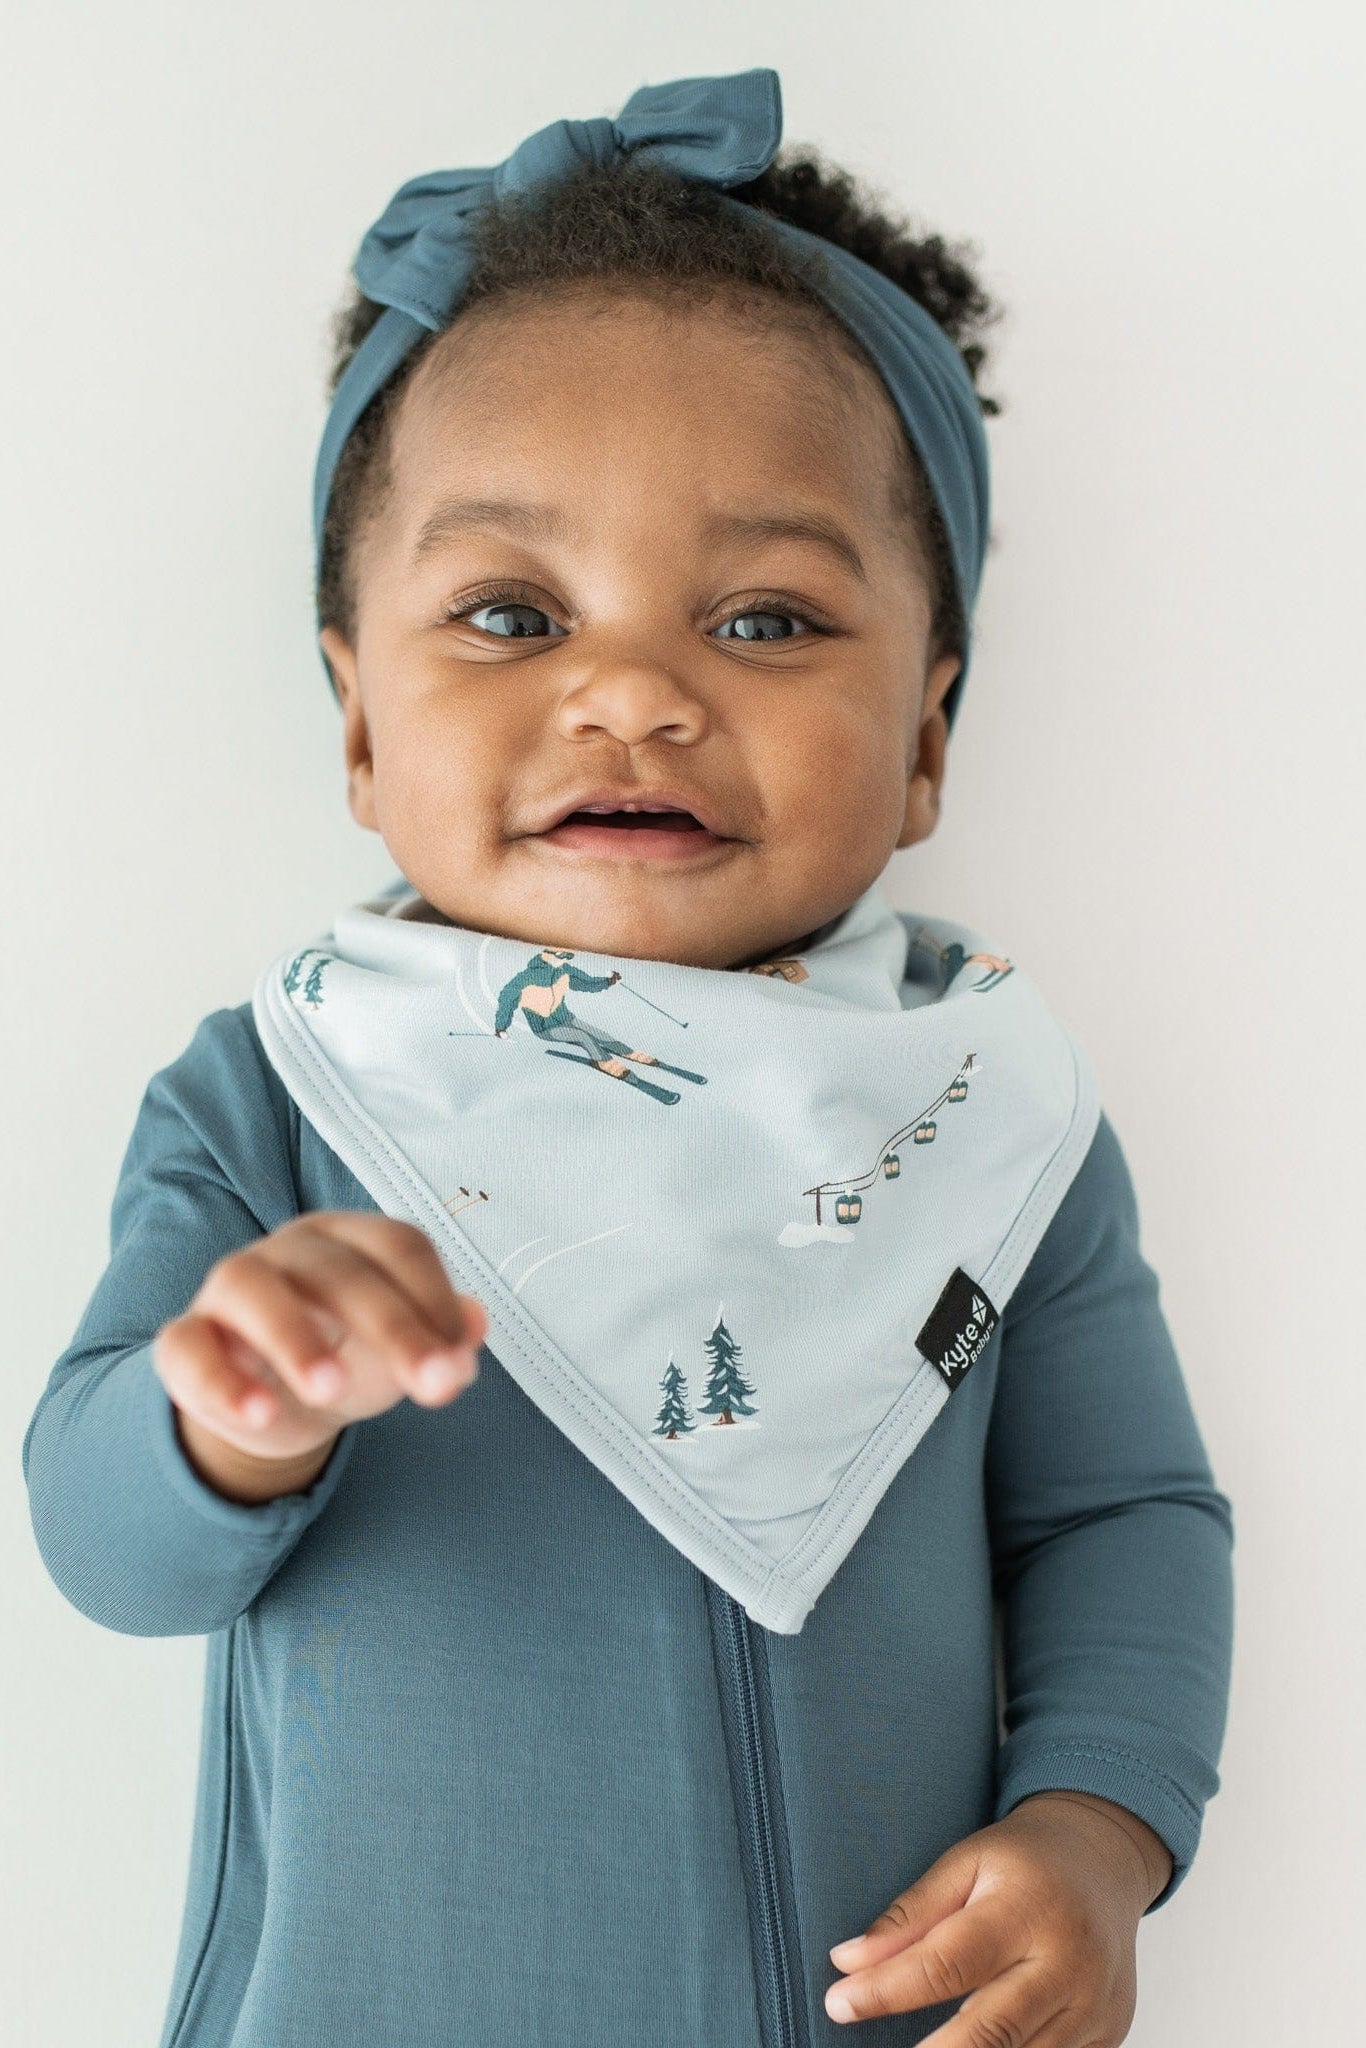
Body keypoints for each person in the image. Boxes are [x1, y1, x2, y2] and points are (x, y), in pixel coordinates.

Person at [22, 67, 1234, 2048]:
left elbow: (1117, 1517)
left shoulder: (985, 1120)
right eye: (508, 611)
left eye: (761, 616)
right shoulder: (279, 1097)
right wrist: (225, 1414)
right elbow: (99, 1535)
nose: (630, 690)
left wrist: (1099, 1829)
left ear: (927, 737)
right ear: (354, 722)